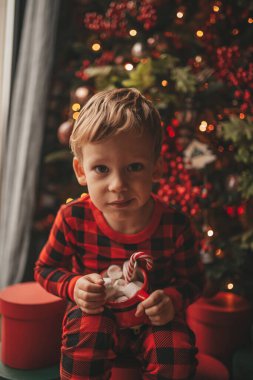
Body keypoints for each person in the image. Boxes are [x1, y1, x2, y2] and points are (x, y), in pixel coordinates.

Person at [34, 87, 204, 380]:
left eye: (134, 167)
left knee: (175, 356)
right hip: (96, 316)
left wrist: (172, 299)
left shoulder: (175, 224)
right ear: (81, 171)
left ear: (156, 168)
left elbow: (194, 280)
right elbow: (45, 269)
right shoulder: (73, 217)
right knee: (85, 336)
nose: (117, 185)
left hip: (153, 321)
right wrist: (74, 286)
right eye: (101, 168)